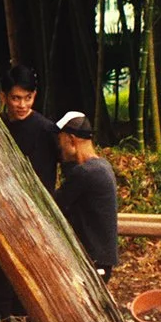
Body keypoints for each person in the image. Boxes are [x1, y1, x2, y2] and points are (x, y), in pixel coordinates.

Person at [0, 64, 57, 321]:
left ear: (35, 96)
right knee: (5, 270)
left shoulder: (47, 130)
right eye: (16, 98)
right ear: (3, 96)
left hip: (37, 212)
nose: (22, 104)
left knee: (31, 270)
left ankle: (26, 318)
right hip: (6, 210)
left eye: (28, 98)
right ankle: (1, 319)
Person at [54, 111, 119, 281]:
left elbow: (56, 204)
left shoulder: (86, 173)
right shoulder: (102, 166)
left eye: (60, 140)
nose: (59, 146)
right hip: (101, 260)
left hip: (93, 262)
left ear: (71, 140)